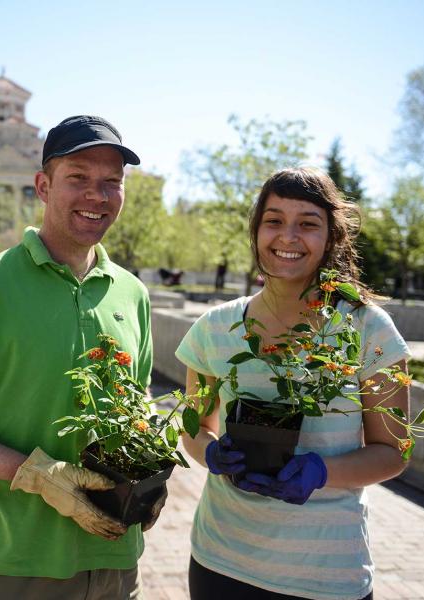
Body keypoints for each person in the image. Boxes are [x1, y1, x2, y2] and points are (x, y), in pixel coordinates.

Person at [0, 115, 156, 600]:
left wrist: (149, 469)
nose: (97, 195)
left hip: (116, 563)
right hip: (13, 562)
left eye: (112, 182)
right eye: (78, 178)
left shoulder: (133, 294)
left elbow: (139, 403)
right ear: (43, 186)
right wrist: (38, 475)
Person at [176, 167, 411, 600]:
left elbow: (392, 452)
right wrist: (210, 452)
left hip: (325, 576)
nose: (288, 236)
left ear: (332, 239)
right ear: (256, 231)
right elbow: (193, 426)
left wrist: (321, 472)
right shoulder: (215, 327)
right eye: (274, 220)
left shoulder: (368, 329)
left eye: (307, 224)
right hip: (219, 562)